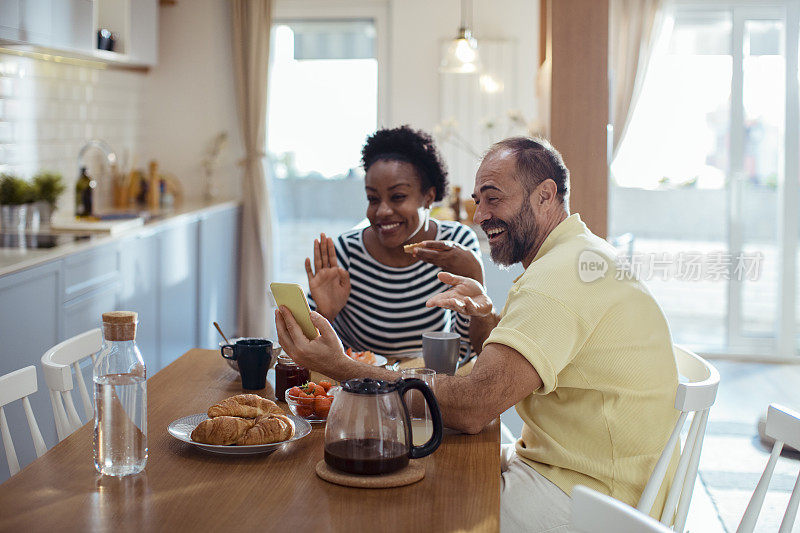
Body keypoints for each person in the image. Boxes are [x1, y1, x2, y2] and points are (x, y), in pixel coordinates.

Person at [277, 137, 679, 532]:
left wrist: (340, 366)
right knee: (439, 460)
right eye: (478, 200)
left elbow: (473, 408)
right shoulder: (576, 256)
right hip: (585, 469)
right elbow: (502, 371)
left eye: (493, 197)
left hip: (594, 500)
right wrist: (485, 313)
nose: (479, 215)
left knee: (406, 504)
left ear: (545, 195)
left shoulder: (557, 279)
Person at [305, 125, 485, 358]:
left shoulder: (455, 242)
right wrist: (325, 313)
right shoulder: (345, 252)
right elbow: (307, 354)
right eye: (373, 198)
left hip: (433, 383)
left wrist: (476, 283)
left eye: (398, 197)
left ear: (429, 197)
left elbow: (473, 349)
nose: (383, 211)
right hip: (362, 385)